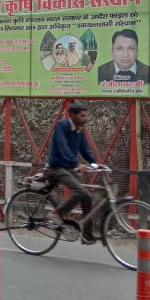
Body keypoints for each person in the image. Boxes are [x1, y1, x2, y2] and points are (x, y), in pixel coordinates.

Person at [31, 102, 104, 244]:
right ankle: (56, 213)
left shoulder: (79, 129)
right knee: (81, 191)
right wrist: (76, 164)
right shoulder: (62, 125)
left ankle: (87, 234)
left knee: (87, 195)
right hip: (57, 167)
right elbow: (63, 148)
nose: (85, 118)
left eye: (86, 116)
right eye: (82, 116)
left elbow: (85, 149)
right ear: (72, 115)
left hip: (69, 168)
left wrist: (95, 164)